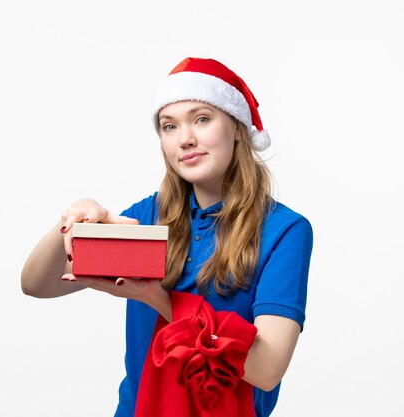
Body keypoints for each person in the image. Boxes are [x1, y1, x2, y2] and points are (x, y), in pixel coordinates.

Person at [21, 57, 313, 417]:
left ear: (237, 127)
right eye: (169, 126)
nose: (185, 139)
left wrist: (157, 298)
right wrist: (71, 221)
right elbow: (37, 283)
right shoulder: (147, 218)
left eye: (202, 119)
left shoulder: (283, 230)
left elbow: (266, 369)